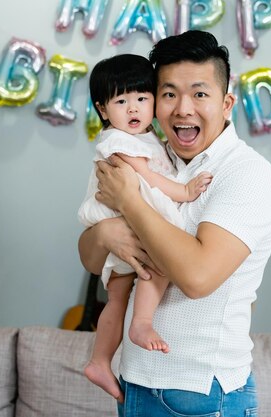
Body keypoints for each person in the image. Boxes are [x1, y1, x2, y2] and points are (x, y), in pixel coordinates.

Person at [78, 30, 271, 417]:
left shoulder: (247, 174)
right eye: (169, 94)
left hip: (200, 391)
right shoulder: (154, 156)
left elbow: (197, 278)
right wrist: (105, 232)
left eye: (199, 94)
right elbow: (92, 260)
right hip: (136, 379)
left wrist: (128, 200)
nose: (182, 108)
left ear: (226, 103)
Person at [78, 53, 213, 402]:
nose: (134, 108)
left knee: (117, 296)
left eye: (142, 98)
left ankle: (99, 360)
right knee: (161, 264)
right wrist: (184, 191)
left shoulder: (147, 137)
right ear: (103, 109)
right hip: (128, 221)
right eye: (122, 101)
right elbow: (147, 179)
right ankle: (141, 323)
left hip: (121, 223)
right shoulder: (118, 141)